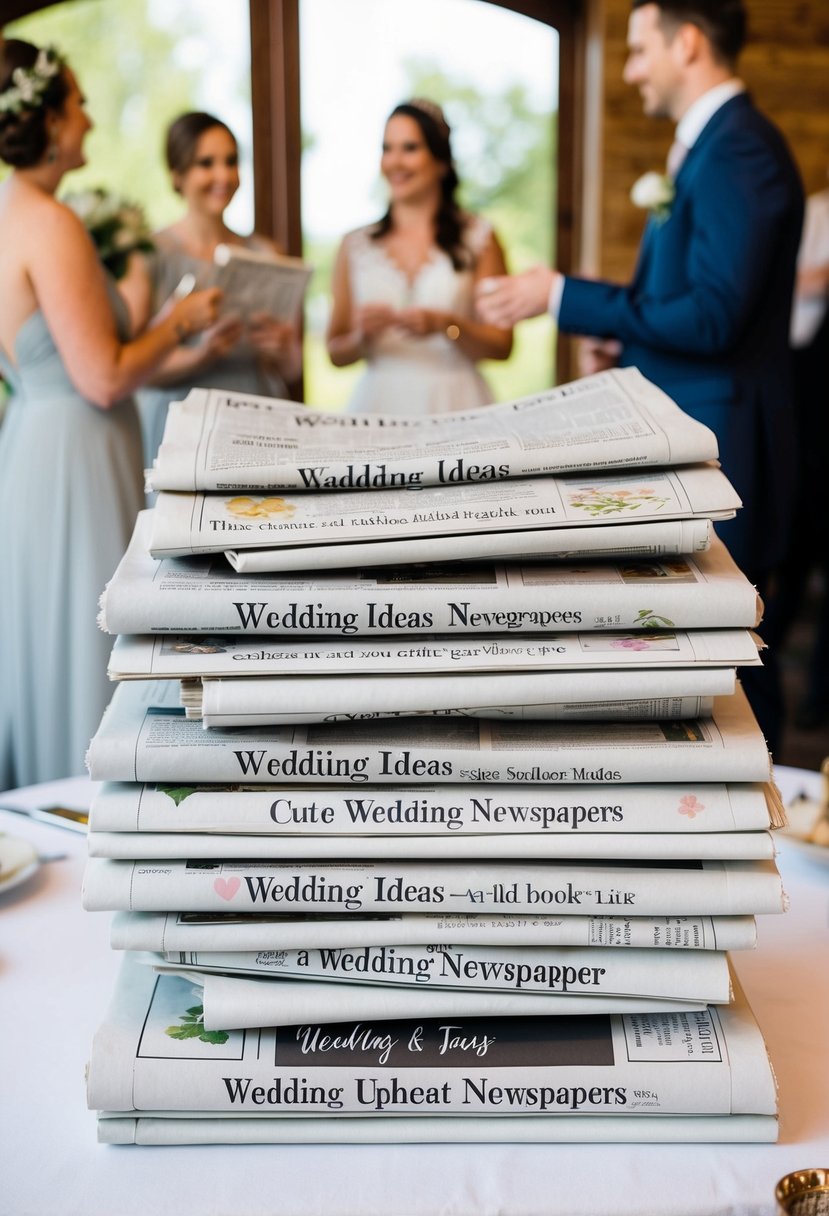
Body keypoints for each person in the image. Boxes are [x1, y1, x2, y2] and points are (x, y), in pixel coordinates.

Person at [477, 0, 804, 753]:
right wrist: (626, 352)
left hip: (730, 450)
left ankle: (763, 835)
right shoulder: (709, 147)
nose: (627, 72)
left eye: (635, 51)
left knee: (732, 660)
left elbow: (717, 318)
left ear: (686, 43)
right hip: (703, 430)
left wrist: (562, 295)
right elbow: (693, 306)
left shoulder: (738, 149)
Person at [0, 40, 221, 788]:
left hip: (40, 439)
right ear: (51, 123)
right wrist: (181, 319)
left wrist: (180, 342)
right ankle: (88, 797)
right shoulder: (50, 221)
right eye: (80, 103)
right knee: (87, 631)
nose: (90, 118)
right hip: (75, 452)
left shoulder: (10, 211)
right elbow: (102, 376)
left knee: (52, 633)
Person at [120, 111, 302, 469]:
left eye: (231, 162)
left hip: (256, 418)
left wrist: (281, 349)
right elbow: (129, 367)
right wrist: (200, 355)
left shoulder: (267, 254)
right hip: (181, 425)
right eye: (206, 163)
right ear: (177, 174)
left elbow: (292, 367)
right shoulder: (149, 255)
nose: (223, 175)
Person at [326, 99, 512, 414]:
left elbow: (502, 346)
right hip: (379, 405)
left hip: (457, 402)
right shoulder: (354, 245)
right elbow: (335, 353)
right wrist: (362, 337)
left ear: (441, 161)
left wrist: (448, 325)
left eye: (410, 148)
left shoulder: (480, 238)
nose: (395, 162)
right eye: (387, 148)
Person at [764, 170, 829, 730]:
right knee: (796, 544)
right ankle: (766, 657)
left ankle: (819, 693)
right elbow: (788, 286)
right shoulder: (816, 211)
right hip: (810, 387)